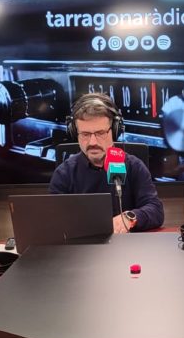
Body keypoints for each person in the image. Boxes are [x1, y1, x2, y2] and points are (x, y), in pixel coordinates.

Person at [49, 92, 164, 233]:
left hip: (126, 249)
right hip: (81, 251)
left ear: (114, 131)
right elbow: (54, 221)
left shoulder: (134, 166)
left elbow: (156, 210)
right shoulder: (64, 173)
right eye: (85, 134)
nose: (92, 142)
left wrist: (129, 218)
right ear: (75, 133)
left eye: (100, 133)